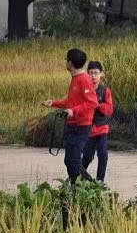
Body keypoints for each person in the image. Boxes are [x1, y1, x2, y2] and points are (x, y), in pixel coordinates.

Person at [41, 48, 96, 183]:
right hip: (72, 125)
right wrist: (53, 103)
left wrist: (74, 111)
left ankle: (90, 185)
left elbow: (92, 102)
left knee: (73, 160)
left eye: (66, 60)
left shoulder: (84, 80)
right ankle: (76, 186)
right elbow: (71, 102)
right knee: (69, 160)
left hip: (81, 126)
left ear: (70, 63)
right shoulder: (75, 79)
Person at [83, 60, 115, 183]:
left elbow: (109, 110)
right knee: (86, 157)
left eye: (96, 73)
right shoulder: (84, 90)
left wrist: (97, 104)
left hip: (102, 128)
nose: (93, 76)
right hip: (88, 129)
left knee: (103, 155)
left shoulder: (105, 90)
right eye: (91, 73)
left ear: (101, 74)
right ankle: (79, 180)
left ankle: (100, 181)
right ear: (87, 74)